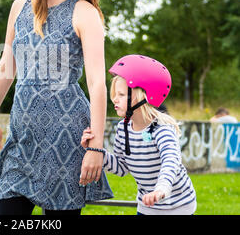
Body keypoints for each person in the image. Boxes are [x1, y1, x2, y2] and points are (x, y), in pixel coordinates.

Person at [0, 0, 113, 215]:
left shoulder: (85, 13)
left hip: (68, 141)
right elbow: (6, 66)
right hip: (22, 140)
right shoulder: (19, 7)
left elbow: (98, 83)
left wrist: (96, 146)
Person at [81, 55, 197, 215]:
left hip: (178, 207)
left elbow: (171, 162)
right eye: (115, 95)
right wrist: (96, 149)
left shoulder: (161, 129)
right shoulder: (123, 129)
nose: (114, 99)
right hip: (147, 206)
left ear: (143, 96)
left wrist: (161, 189)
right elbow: (121, 167)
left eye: (121, 95)